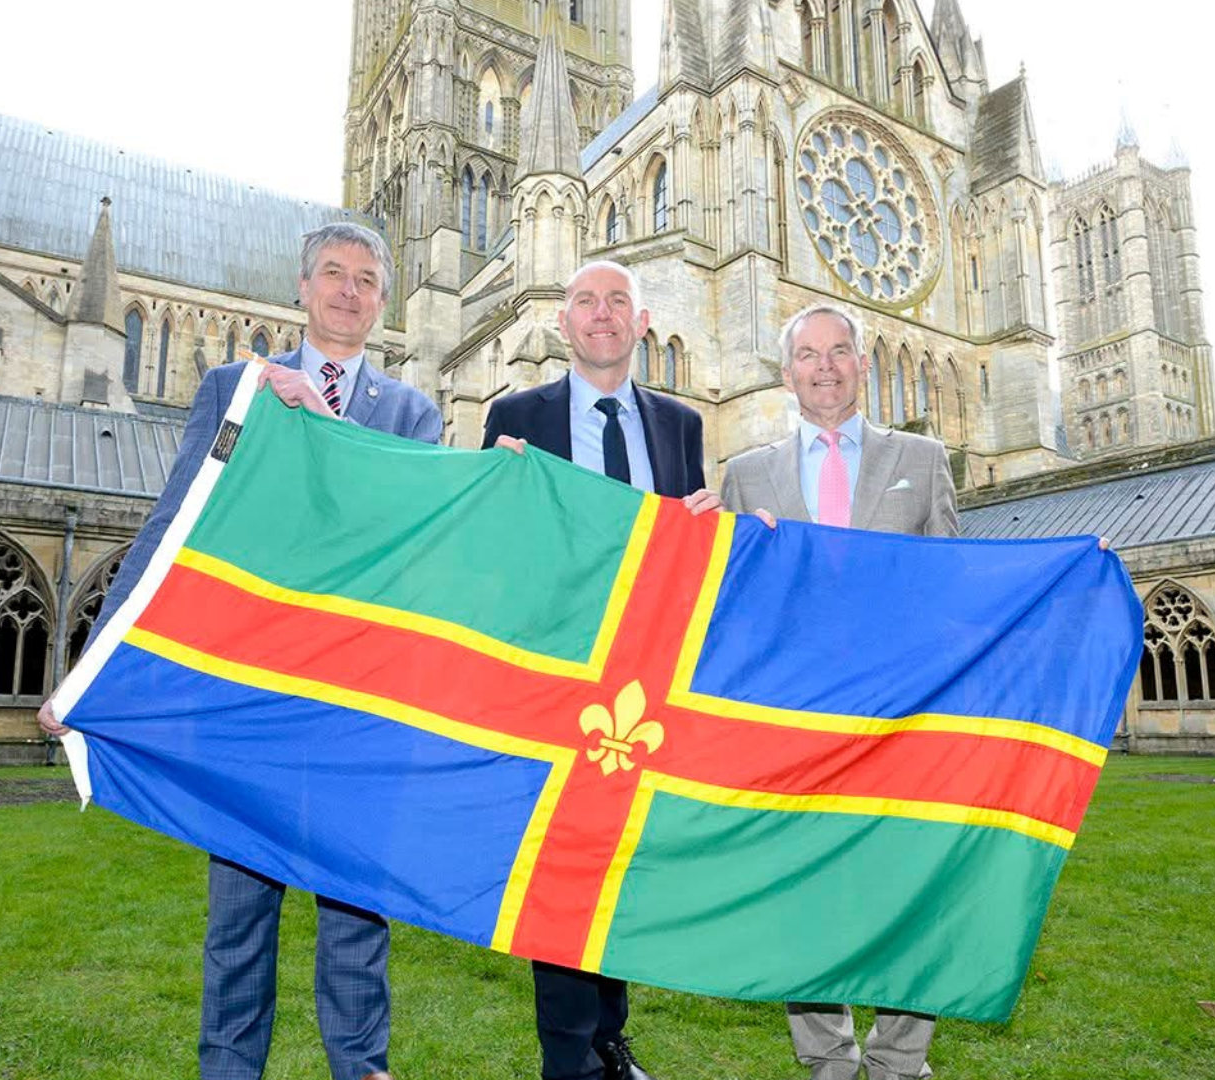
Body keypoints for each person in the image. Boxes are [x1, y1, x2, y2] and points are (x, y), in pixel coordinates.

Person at [40, 221, 440, 1080]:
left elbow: (404, 545)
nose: (347, 290)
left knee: (356, 925)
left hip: (354, 706)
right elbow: (171, 528)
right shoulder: (232, 385)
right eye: (332, 274)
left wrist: (323, 423)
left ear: (382, 301)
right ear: (302, 288)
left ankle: (359, 1069)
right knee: (238, 923)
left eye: (366, 280)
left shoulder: (413, 413)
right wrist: (91, 665)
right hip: (249, 699)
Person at [481, 259, 720, 1080]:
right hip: (556, 677)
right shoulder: (514, 415)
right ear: (563, 325)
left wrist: (710, 526)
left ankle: (609, 1037)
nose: (603, 315)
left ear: (641, 323)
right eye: (586, 301)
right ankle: (569, 1056)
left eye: (618, 302)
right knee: (562, 866)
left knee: (621, 861)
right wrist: (496, 489)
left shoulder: (681, 427)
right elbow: (494, 551)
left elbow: (688, 557)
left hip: (644, 681)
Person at [719, 302, 956, 1080]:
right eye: (809, 355)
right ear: (788, 374)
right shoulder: (746, 475)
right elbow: (734, 609)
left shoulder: (922, 460)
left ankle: (898, 1062)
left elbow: (954, 590)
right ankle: (826, 1058)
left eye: (839, 352)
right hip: (796, 727)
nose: (825, 366)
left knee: (908, 893)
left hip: (901, 721)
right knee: (804, 895)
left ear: (863, 362)